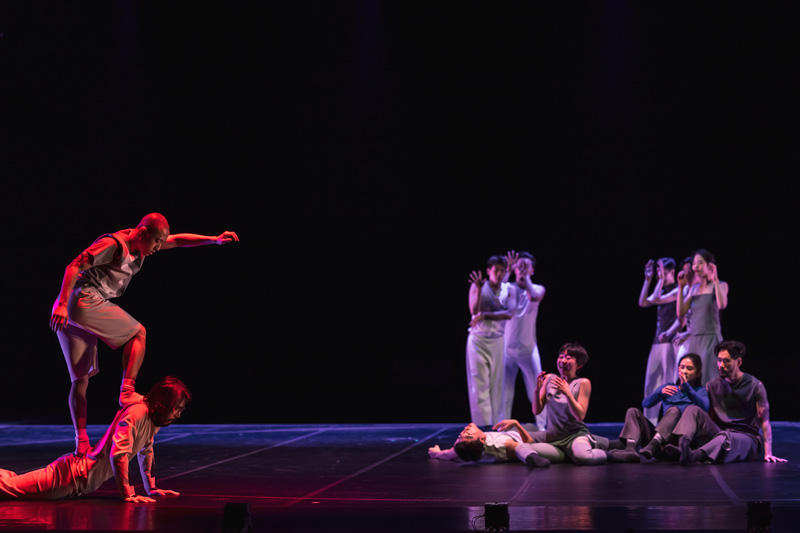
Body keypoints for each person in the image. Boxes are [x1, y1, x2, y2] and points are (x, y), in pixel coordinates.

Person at [49, 213, 238, 456]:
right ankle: (126, 391)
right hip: (80, 300)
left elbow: (177, 241)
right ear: (143, 232)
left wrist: (213, 239)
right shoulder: (114, 245)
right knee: (138, 333)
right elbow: (74, 265)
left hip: (69, 312)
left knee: (80, 381)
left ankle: (81, 441)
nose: (159, 247)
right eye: (157, 241)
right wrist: (63, 303)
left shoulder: (143, 246)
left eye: (161, 242)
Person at [0, 376, 191, 501]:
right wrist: (128, 493)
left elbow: (146, 452)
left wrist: (152, 487)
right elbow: (119, 455)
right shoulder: (138, 412)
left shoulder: (152, 420)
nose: (178, 415)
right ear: (164, 403)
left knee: (11, 481)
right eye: (177, 409)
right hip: (71, 477)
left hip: (76, 482)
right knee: (9, 488)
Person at [665, 340, 787, 465]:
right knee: (693, 410)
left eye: (726, 361)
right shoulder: (712, 386)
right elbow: (711, 419)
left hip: (747, 439)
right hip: (721, 434)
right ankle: (683, 447)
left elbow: (764, 421)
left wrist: (768, 453)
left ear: (738, 362)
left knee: (726, 436)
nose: (721, 365)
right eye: (719, 360)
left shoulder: (755, 385)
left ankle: (693, 455)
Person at [606, 353, 709, 463]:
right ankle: (630, 450)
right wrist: (659, 393)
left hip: (676, 445)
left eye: (689, 368)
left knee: (674, 411)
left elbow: (705, 407)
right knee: (633, 411)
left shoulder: (700, 391)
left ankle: (654, 444)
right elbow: (645, 403)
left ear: (698, 373)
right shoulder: (669, 387)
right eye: (682, 367)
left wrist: (687, 387)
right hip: (658, 443)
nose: (685, 371)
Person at [519, 343, 608, 465]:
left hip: (574, 436)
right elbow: (536, 411)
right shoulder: (549, 379)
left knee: (583, 457)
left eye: (568, 358)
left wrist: (567, 393)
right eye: (561, 357)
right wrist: (536, 390)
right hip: (553, 437)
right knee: (520, 445)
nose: (563, 361)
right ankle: (566, 454)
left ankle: (610, 455)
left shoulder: (582, 383)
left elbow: (580, 416)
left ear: (578, 365)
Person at [466, 256, 517, 427]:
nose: (499, 274)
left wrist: (486, 315)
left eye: (502, 270)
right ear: (489, 271)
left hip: (497, 341)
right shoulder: (478, 286)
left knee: (497, 384)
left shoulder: (509, 289)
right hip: (478, 340)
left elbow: (509, 313)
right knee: (479, 382)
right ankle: (482, 425)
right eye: (496, 270)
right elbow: (474, 310)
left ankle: (497, 424)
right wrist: (479, 289)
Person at [501, 251, 546, 428]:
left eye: (525, 266)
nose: (521, 269)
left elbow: (533, 296)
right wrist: (508, 271)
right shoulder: (509, 288)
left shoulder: (538, 288)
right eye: (519, 266)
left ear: (532, 270)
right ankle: (501, 429)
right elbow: (497, 297)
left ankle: (543, 428)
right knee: (504, 394)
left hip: (529, 350)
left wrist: (525, 275)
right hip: (507, 351)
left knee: (537, 390)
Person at [676, 249, 728, 385]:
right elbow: (681, 312)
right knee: (693, 379)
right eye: (694, 263)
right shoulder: (693, 289)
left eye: (700, 263)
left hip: (711, 339)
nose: (695, 266)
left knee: (709, 378)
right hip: (695, 340)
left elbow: (722, 305)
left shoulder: (720, 285)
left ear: (709, 265)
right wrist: (681, 288)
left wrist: (715, 280)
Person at [638, 257, 680, 424]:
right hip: (657, 342)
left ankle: (671, 420)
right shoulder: (660, 290)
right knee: (651, 382)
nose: (658, 275)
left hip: (671, 341)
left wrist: (660, 280)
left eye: (662, 272)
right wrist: (648, 280)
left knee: (670, 382)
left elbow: (655, 300)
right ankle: (649, 422)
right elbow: (643, 302)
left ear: (671, 272)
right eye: (657, 273)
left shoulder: (678, 290)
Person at [427, 420, 551, 467]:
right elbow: (526, 444)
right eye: (469, 435)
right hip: (525, 435)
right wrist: (515, 423)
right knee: (548, 432)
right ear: (482, 440)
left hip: (508, 434)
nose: (465, 430)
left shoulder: (463, 449)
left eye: (461, 435)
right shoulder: (500, 444)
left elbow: (448, 454)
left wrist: (436, 452)